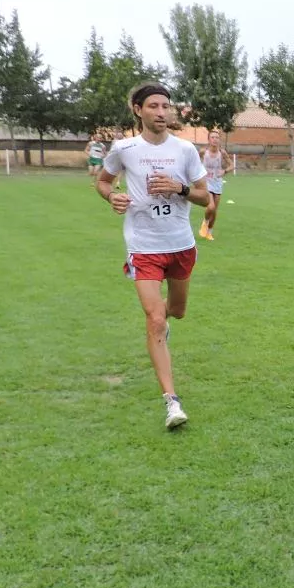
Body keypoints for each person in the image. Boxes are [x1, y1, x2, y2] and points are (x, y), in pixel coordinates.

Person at [95, 82, 210, 430]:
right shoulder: (124, 149)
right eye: (153, 106)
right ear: (137, 109)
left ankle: (163, 326)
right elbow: (103, 181)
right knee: (155, 318)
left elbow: (207, 199)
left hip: (180, 244)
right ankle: (172, 402)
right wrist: (110, 196)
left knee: (176, 311)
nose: (161, 113)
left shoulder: (186, 150)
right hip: (143, 246)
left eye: (166, 106)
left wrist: (180, 188)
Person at [198, 130, 234, 241]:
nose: (215, 139)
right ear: (209, 140)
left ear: (219, 140)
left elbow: (232, 165)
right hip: (206, 182)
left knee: (214, 210)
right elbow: (194, 162)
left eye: (217, 137)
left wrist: (225, 171)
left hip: (217, 182)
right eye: (212, 137)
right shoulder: (203, 151)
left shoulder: (222, 153)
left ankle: (209, 232)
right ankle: (205, 222)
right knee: (211, 206)